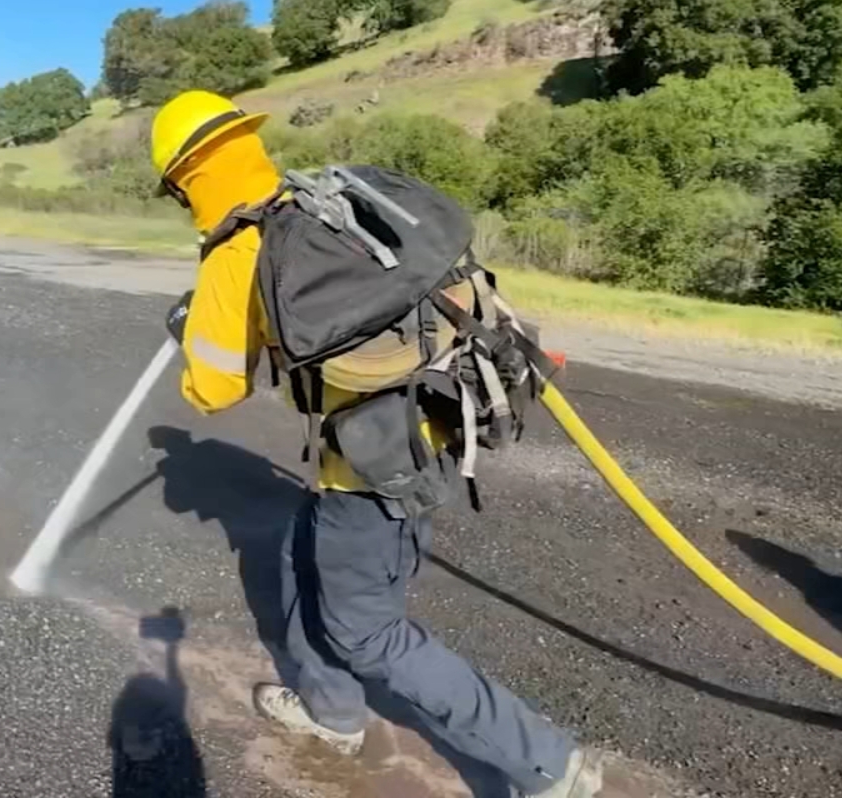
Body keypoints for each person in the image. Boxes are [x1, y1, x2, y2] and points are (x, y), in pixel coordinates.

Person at [152, 90, 603, 798]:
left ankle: (547, 764)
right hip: (431, 428)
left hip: (373, 471)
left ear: (185, 181)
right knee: (301, 558)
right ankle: (333, 712)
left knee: (369, 634)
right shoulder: (324, 205)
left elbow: (212, 391)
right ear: (248, 143)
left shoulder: (237, 254)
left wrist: (190, 331)